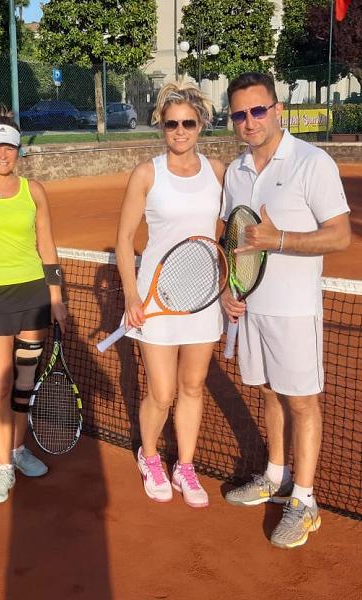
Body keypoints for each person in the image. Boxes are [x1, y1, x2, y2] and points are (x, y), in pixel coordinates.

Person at [220, 72, 351, 548]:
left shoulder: (312, 163)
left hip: (294, 310)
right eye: (240, 114)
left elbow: (340, 235)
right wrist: (227, 286)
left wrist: (279, 239)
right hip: (250, 309)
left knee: (301, 401)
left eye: (258, 110)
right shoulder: (235, 171)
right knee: (269, 393)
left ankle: (305, 500)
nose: (250, 121)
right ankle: (275, 476)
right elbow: (228, 236)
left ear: (277, 109)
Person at [114, 81, 226, 508]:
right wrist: (131, 297)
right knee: (162, 393)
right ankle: (150, 457)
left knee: (192, 386)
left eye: (188, 123)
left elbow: (233, 233)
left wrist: (230, 285)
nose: (180, 131)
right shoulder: (147, 174)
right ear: (161, 124)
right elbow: (124, 240)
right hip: (156, 299)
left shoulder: (218, 172)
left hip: (202, 299)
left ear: (201, 125)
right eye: (172, 123)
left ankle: (186, 465)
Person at [0, 110, 67, 504]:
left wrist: (56, 298)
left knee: (24, 381)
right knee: (0, 382)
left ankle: (18, 451)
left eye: (9, 146)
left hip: (32, 296)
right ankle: (3, 467)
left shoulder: (33, 191)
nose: (3, 154)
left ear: (18, 149)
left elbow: (47, 245)